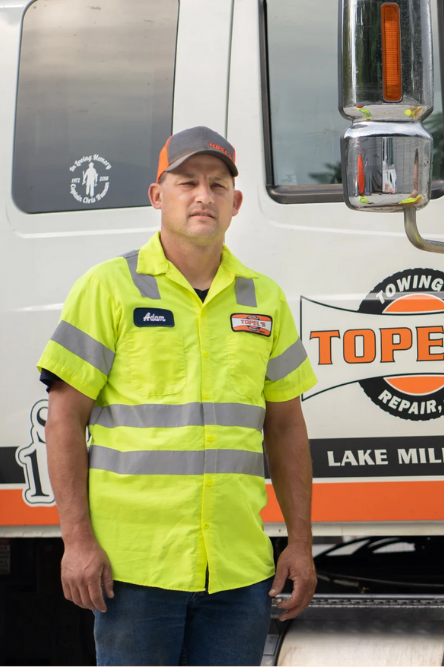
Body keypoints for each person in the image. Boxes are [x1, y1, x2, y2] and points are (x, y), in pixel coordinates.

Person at [38, 126, 318, 666]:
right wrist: (76, 542)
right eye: (187, 182)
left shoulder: (265, 299)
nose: (202, 196)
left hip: (238, 572)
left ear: (235, 203)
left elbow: (285, 428)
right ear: (156, 196)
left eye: (217, 185)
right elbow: (65, 420)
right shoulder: (109, 288)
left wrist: (301, 544)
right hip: (134, 569)